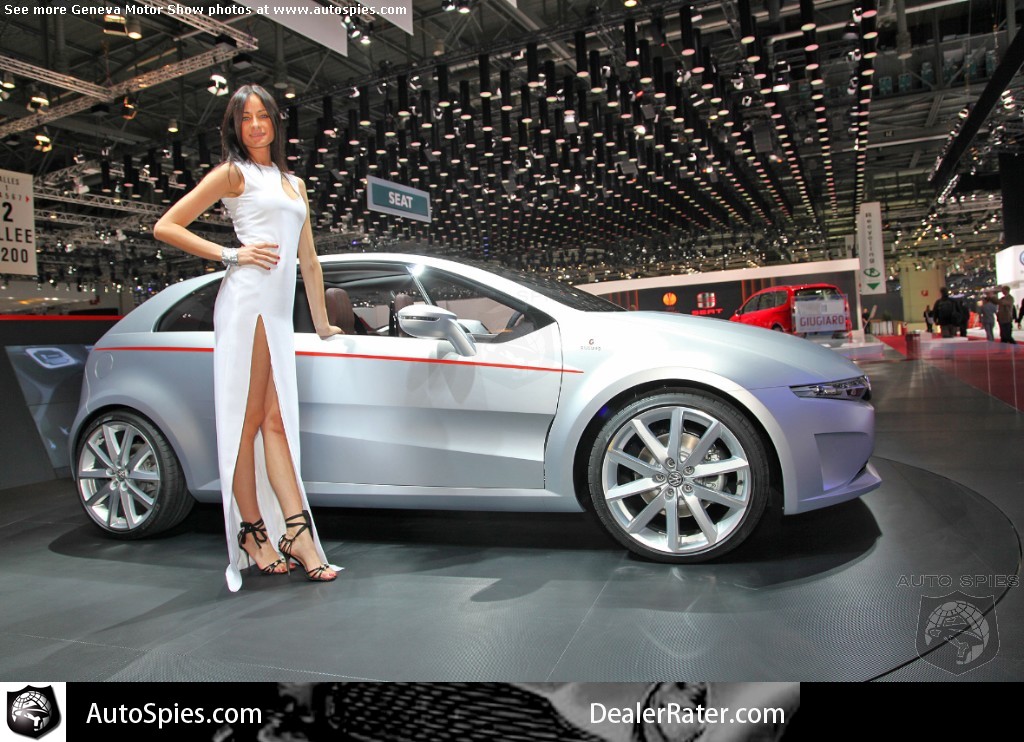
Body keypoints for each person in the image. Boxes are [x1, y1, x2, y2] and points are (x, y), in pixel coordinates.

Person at [154, 84, 341, 590]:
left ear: (276, 121)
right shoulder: (232, 174)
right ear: (235, 127)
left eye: (263, 116)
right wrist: (231, 255)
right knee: (249, 421)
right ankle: (257, 533)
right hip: (247, 304)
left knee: (274, 422)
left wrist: (322, 323)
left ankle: (291, 533)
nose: (256, 125)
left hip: (276, 312)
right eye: (246, 118)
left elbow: (308, 260)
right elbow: (166, 226)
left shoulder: (294, 183)